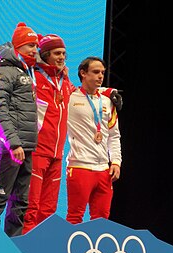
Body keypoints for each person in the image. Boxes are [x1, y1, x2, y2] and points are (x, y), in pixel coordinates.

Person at [0, 22, 39, 236]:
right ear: (17, 46)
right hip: (7, 146)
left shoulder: (23, 70)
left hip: (24, 146)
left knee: (20, 204)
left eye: (36, 46)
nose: (35, 50)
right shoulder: (3, 69)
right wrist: (13, 142)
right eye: (30, 45)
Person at [22, 34, 75, 234]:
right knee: (31, 207)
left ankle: (42, 252)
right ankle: (24, 250)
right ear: (45, 54)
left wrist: (107, 92)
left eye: (63, 53)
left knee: (49, 210)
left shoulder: (64, 79)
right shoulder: (34, 76)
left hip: (57, 154)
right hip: (37, 151)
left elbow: (81, 94)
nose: (62, 57)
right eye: (57, 53)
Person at [66, 56, 122, 224]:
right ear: (83, 73)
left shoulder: (107, 102)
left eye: (102, 73)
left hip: (104, 169)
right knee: (75, 217)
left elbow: (114, 135)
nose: (100, 76)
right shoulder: (70, 98)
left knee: (102, 220)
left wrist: (116, 162)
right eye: (96, 72)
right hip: (79, 165)